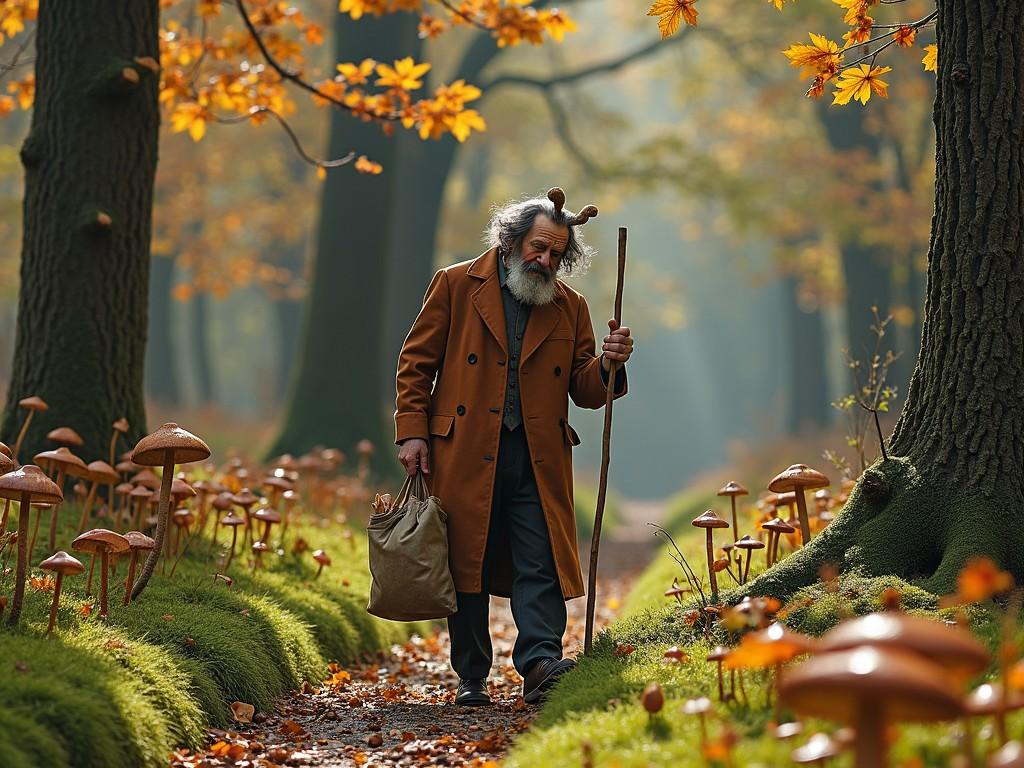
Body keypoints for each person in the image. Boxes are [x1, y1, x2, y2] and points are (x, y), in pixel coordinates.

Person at [393, 188, 633, 706]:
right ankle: (472, 674)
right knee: (466, 563)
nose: (545, 260)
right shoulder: (456, 284)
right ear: (511, 240)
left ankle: (541, 662)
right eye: (537, 247)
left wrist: (611, 363)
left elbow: (587, 390)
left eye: (555, 253)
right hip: (462, 450)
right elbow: (416, 363)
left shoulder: (572, 308)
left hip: (537, 456)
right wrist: (413, 430)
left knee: (539, 559)